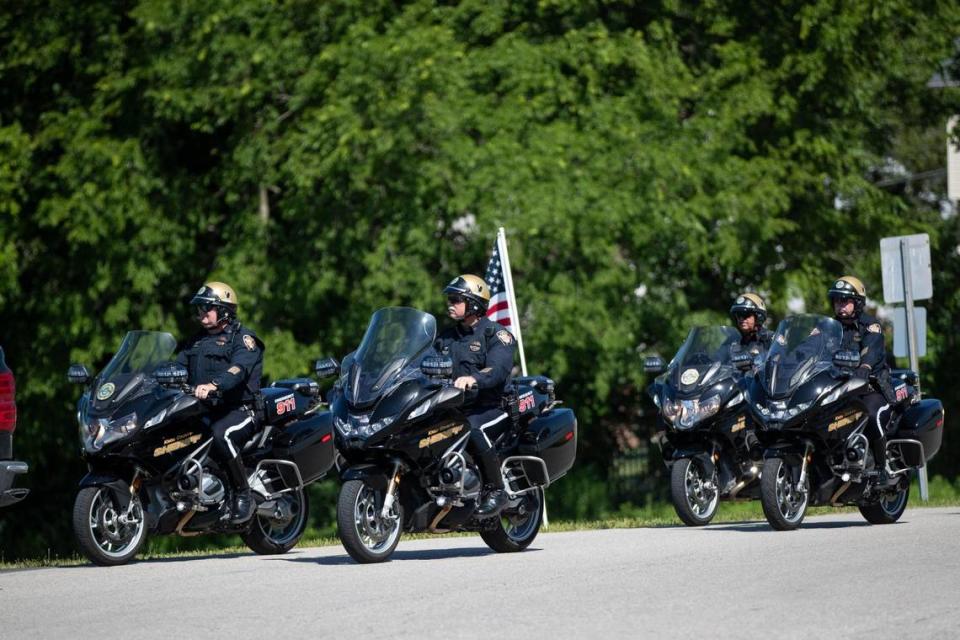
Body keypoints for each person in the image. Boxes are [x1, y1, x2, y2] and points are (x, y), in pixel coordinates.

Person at [176, 281, 264, 524]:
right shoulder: (196, 342)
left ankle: (243, 494)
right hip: (207, 409)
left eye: (208, 308)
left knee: (221, 434)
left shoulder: (243, 339)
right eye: (200, 309)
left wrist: (214, 385)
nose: (202, 314)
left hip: (242, 409)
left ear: (224, 310)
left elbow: (238, 369)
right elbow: (176, 366)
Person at [436, 274, 517, 517]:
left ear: (473, 304)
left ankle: (496, 491)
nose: (450, 303)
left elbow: (498, 368)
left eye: (456, 299)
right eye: (450, 298)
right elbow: (421, 362)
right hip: (455, 406)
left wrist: (475, 379)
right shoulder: (446, 338)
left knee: (471, 429)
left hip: (491, 406)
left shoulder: (496, 334)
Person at [828, 276, 895, 477]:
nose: (840, 305)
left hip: (871, 388)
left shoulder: (870, 325)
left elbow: (871, 350)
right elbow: (810, 348)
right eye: (837, 300)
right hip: (839, 389)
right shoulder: (829, 328)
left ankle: (882, 468)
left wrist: (864, 367)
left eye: (845, 300)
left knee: (872, 416)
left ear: (857, 303)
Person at [729, 293, 773, 362]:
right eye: (738, 315)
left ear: (758, 316)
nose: (741, 319)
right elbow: (717, 358)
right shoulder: (733, 340)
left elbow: (785, 363)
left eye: (745, 315)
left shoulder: (770, 338)